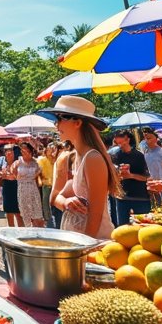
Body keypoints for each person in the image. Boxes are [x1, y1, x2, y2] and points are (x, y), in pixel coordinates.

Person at [50, 96, 119, 239]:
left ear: (77, 123)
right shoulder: (77, 156)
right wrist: (66, 202)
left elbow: (95, 215)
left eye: (60, 118)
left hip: (94, 241)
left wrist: (84, 247)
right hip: (81, 240)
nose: (56, 124)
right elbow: (57, 196)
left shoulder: (92, 158)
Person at [108, 130, 151, 226]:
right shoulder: (115, 155)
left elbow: (145, 177)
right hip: (122, 197)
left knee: (142, 226)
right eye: (117, 143)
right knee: (122, 227)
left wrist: (131, 175)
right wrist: (118, 176)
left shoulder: (139, 156)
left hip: (140, 196)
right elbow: (111, 176)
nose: (119, 145)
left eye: (121, 142)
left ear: (127, 140)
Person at [14, 140, 44, 228]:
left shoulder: (36, 162)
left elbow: (40, 174)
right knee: (25, 215)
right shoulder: (18, 162)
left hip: (33, 189)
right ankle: (27, 233)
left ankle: (37, 233)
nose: (23, 151)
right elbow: (13, 173)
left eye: (25, 149)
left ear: (30, 150)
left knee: (37, 216)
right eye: (22, 150)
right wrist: (18, 177)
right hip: (22, 189)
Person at [141, 128, 162, 207]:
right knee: (155, 205)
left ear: (156, 139)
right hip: (151, 182)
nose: (147, 140)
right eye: (145, 138)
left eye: (149, 138)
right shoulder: (145, 152)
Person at [0, 145, 22, 227]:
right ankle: (11, 231)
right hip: (7, 188)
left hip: (16, 188)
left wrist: (6, 175)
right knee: (9, 213)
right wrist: (2, 175)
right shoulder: (3, 164)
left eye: (11, 153)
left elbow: (16, 177)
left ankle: (21, 232)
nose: (9, 155)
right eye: (7, 153)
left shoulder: (17, 163)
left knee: (18, 213)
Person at [36, 141, 55, 225]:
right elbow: (38, 172)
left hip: (55, 184)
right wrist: (40, 180)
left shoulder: (56, 159)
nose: (51, 152)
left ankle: (54, 217)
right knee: (46, 202)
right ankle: (47, 219)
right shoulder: (41, 160)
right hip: (46, 184)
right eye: (50, 150)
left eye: (53, 150)